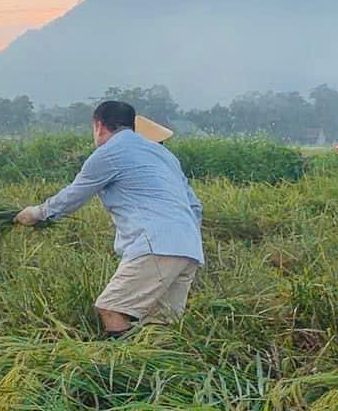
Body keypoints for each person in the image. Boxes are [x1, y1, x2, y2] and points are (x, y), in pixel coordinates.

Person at [15, 100, 204, 336]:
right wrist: (184, 236)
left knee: (111, 308)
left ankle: (119, 368)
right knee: (160, 327)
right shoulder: (163, 154)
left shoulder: (109, 152)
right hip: (190, 248)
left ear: (99, 125)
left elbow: (73, 196)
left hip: (155, 245)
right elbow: (195, 206)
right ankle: (153, 369)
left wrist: (36, 213)